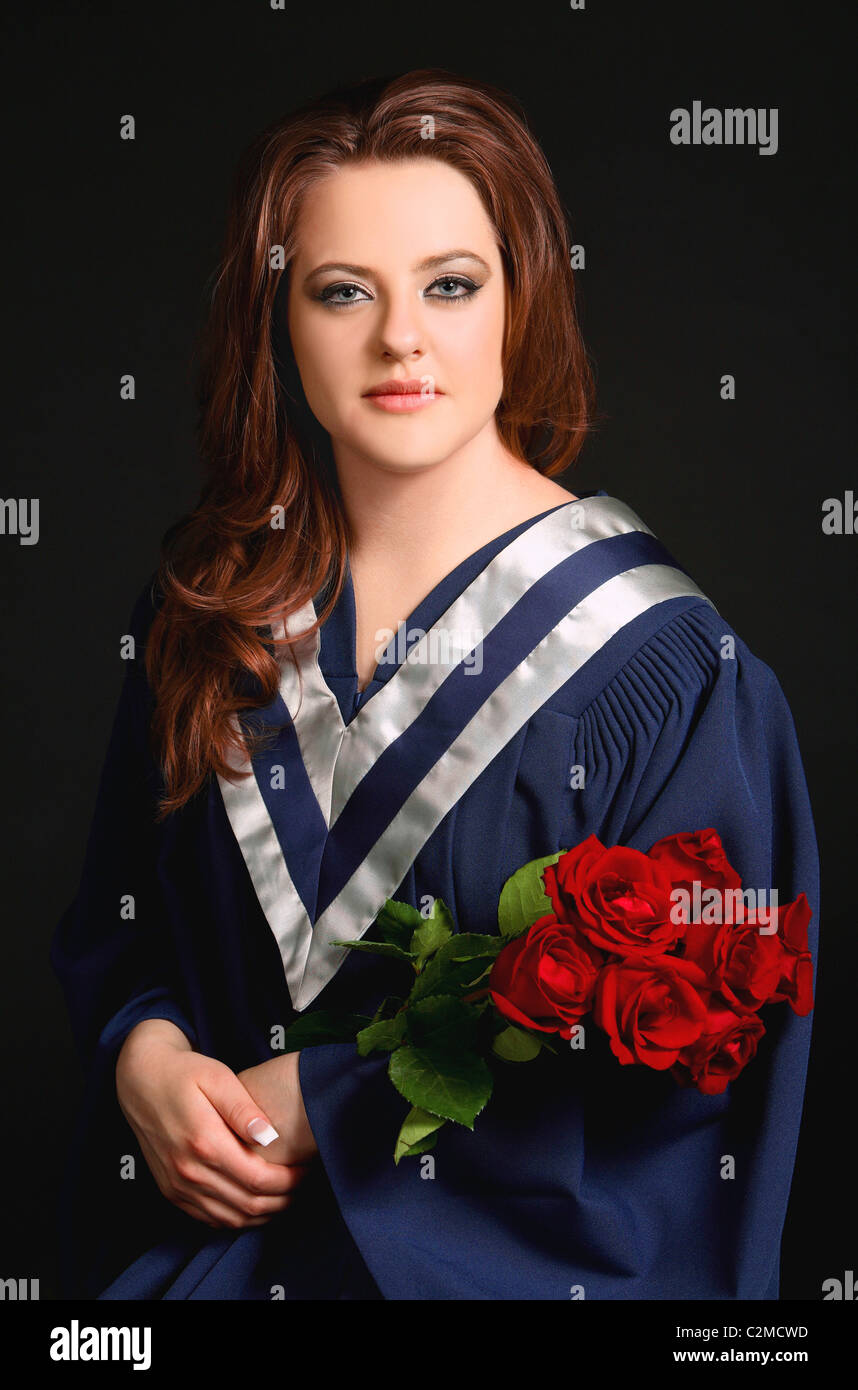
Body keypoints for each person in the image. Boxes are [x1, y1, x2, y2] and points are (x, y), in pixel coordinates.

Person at [51, 69, 819, 1301]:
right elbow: (119, 926)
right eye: (342, 291)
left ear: (521, 300)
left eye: (451, 286)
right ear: (278, 321)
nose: (400, 338)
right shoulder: (208, 611)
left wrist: (337, 1100)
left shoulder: (666, 672)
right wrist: (141, 1055)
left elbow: (691, 1099)